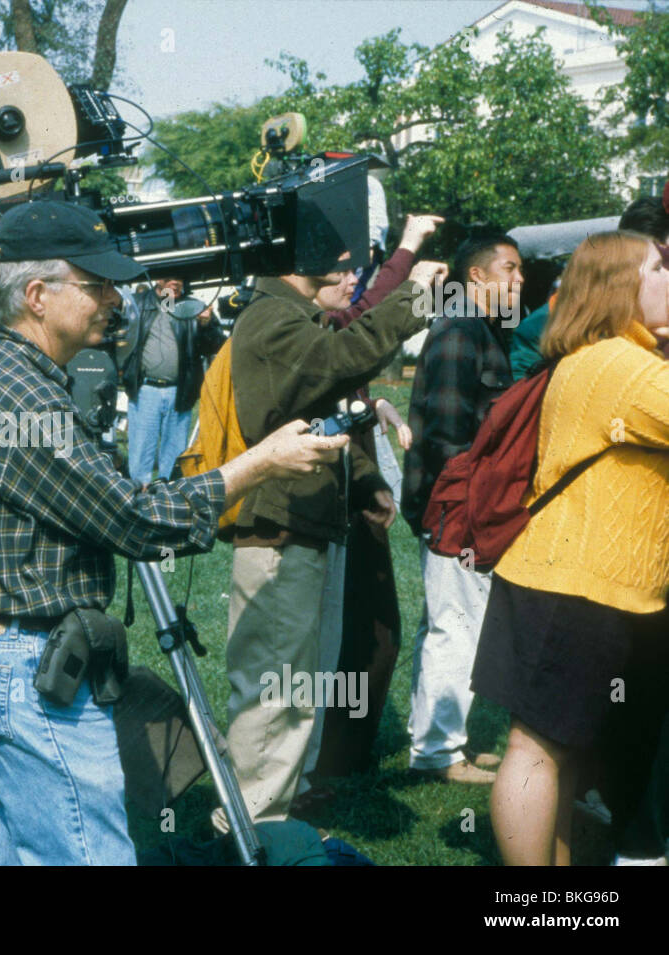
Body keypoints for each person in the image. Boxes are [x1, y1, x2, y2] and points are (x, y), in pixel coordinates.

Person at [0, 200, 349, 864]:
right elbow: (133, 518)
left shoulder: (2, 372)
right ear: (37, 296)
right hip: (27, 662)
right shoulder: (21, 394)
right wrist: (259, 463)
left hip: (4, 652)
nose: (113, 299)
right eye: (96, 284)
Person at [472, 231, 669, 865]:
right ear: (622, 286)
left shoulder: (609, 356)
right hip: (571, 588)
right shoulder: (620, 366)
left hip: (571, 583)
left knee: (559, 750)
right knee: (535, 750)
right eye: (660, 267)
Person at [223, 253, 436, 823]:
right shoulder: (273, 317)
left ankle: (280, 813)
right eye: (339, 262)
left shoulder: (290, 315)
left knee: (298, 683)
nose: (351, 276)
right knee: (275, 690)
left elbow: (321, 411)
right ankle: (249, 831)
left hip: (304, 524)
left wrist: (365, 480)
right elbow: (343, 358)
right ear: (302, 257)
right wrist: (413, 295)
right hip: (280, 528)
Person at [400, 234, 524, 785]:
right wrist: (473, 509)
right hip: (457, 509)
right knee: (456, 626)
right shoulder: (459, 331)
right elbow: (447, 438)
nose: (519, 280)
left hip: (461, 507)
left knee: (449, 622)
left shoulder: (483, 329)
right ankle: (438, 753)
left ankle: (437, 738)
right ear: (476, 276)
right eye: (509, 269)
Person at [121, 276, 227, 482]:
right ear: (158, 279)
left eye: (179, 279)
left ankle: (168, 490)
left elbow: (216, 346)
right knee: (141, 452)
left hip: (180, 392)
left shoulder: (195, 308)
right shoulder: (138, 303)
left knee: (174, 453)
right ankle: (140, 491)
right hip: (146, 390)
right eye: (169, 278)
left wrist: (206, 325)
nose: (175, 283)